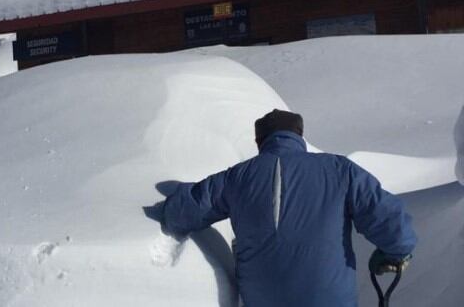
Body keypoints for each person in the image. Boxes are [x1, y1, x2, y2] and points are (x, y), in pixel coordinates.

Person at [161, 109, 416, 307]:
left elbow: (180, 214)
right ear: (299, 135)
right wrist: (396, 252)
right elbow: (389, 219)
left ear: (259, 140)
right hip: (329, 299)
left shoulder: (236, 178)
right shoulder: (339, 170)